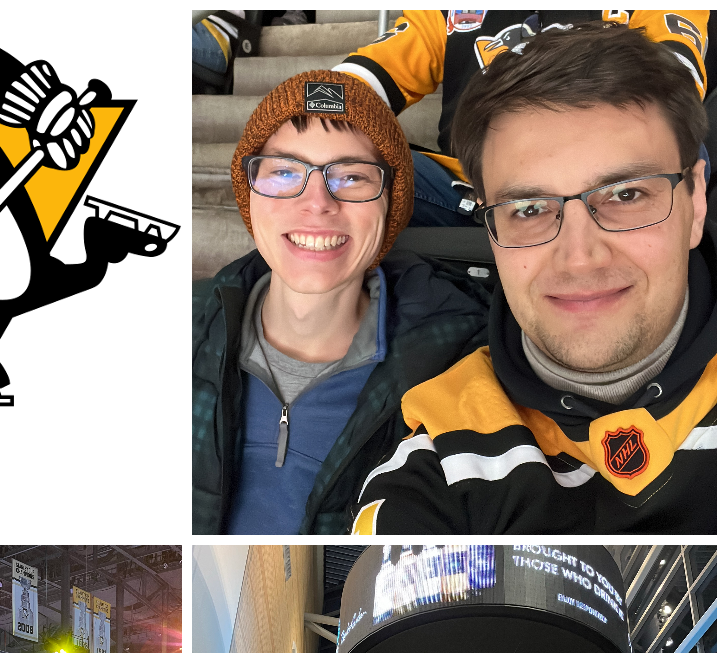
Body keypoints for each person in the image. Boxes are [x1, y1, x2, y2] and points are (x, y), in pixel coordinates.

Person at [351, 23, 714, 533]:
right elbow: (369, 74)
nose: (580, 258)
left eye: (626, 194)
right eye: (528, 208)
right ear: (491, 227)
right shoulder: (439, 454)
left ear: (697, 203)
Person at [193, 70, 491, 533]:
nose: (317, 202)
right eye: (285, 172)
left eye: (351, 176)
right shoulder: (177, 327)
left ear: (390, 203)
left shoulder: (462, 363)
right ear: (248, 193)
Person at [332, 10, 710, 227]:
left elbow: (674, 86)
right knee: (330, 166)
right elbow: (365, 77)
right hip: (471, 190)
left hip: (608, 186)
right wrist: (308, 112)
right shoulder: (446, 11)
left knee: (686, 149)